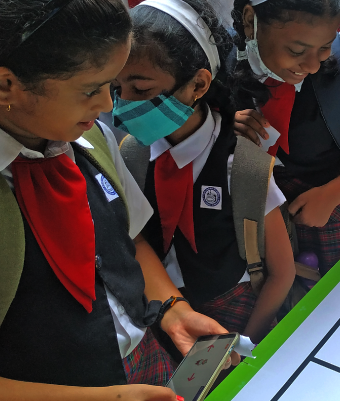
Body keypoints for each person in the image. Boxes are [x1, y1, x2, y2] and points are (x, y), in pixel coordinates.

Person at [0, 0, 235, 399]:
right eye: (91, 89)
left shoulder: (89, 139)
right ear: (5, 86)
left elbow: (130, 239)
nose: (109, 105)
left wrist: (173, 308)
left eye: (112, 85)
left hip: (144, 365)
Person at [112, 0, 295, 343]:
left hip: (234, 314)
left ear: (198, 85)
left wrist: (247, 344)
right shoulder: (132, 155)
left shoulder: (242, 167)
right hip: (161, 313)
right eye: (115, 88)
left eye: (141, 89)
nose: (122, 104)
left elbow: (281, 274)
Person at [230, 0, 340, 272]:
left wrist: (330, 195)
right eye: (296, 50)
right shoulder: (221, 66)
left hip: (328, 213)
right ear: (250, 21)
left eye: (324, 46)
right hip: (252, 223)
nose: (312, 65)